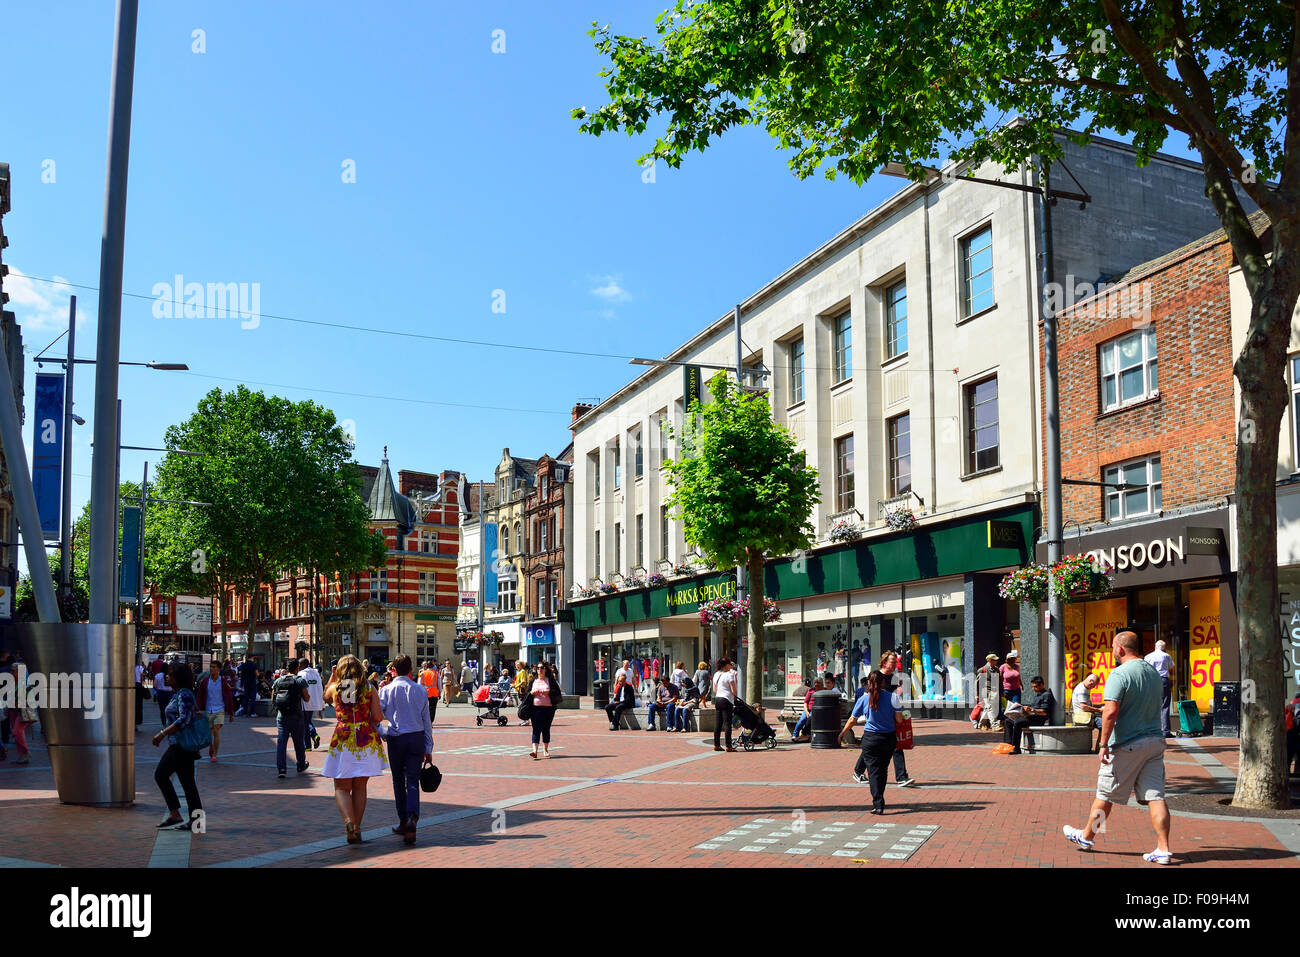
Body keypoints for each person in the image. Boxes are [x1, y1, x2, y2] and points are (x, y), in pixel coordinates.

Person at [1062, 630, 1172, 865]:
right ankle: (1163, 849)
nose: (1112, 652)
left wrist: (1103, 744)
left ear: (1120, 649)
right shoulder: (1153, 672)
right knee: (1156, 796)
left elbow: (1111, 712)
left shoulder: (1119, 674)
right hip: (1154, 742)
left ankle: (1087, 837)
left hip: (1127, 743)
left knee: (1105, 793)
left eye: (1113, 648)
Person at [322, 655, 389, 844]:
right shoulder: (369, 688)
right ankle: (357, 828)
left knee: (342, 787)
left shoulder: (336, 688)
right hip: (365, 738)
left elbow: (325, 696)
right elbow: (377, 717)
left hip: (343, 737)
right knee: (360, 786)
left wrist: (334, 676)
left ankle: (349, 823)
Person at [378, 655, 434, 845]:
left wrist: (383, 732)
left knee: (397, 780)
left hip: (396, 738)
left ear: (393, 669)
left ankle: (403, 819)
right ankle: (412, 817)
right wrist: (429, 746)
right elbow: (427, 721)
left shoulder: (386, 690)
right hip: (416, 737)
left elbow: (375, 716)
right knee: (412, 780)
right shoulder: (420, 690)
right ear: (411, 669)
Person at [840, 669, 902, 814]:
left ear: (869, 683)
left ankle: (878, 803)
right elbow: (899, 719)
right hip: (888, 738)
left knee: (873, 772)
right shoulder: (893, 698)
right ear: (882, 683)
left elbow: (852, 720)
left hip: (871, 739)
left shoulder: (863, 699)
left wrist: (842, 733)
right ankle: (880, 798)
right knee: (883, 770)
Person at [152, 662, 203, 830]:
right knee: (187, 783)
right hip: (178, 745)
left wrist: (162, 733)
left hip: (181, 745)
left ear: (178, 678)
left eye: (171, 674)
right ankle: (188, 819)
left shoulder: (184, 694)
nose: (167, 677)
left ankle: (180, 816)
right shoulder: (178, 694)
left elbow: (183, 719)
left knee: (161, 775)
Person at [879, 652, 917, 787]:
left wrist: (899, 711)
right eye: (892, 662)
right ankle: (858, 770)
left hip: (891, 716)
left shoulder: (895, 678)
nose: (895, 664)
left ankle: (901, 777)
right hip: (879, 717)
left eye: (896, 662)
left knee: (896, 745)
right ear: (884, 662)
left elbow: (895, 698)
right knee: (873, 747)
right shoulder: (877, 676)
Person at [271, 659, 311, 779]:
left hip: (281, 716)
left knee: (281, 743)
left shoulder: (278, 681)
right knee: (298, 742)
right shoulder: (299, 681)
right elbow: (307, 698)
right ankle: (300, 764)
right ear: (297, 668)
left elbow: (273, 697)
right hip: (296, 716)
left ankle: (281, 768)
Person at [1002, 675, 1054, 754]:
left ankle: (1016, 748)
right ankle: (1008, 744)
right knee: (1008, 721)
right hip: (1031, 716)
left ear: (1042, 685)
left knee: (1018, 723)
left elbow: (1044, 712)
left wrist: (1032, 710)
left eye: (1035, 687)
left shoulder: (1046, 695)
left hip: (1038, 720)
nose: (1033, 689)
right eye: (1032, 687)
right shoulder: (1038, 694)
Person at [195, 660, 235, 762]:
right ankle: (211, 747)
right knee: (209, 733)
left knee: (216, 730)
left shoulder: (223, 681)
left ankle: (215, 755)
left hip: (219, 709)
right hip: (208, 709)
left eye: (214, 667)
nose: (211, 669)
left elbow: (229, 696)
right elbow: (199, 695)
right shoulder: (205, 681)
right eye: (211, 667)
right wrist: (197, 709)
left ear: (219, 669)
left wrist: (231, 713)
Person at [528, 661, 562, 758]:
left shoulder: (550, 680)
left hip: (548, 708)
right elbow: (527, 694)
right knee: (536, 729)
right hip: (535, 708)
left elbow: (557, 692)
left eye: (542, 668)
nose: (540, 670)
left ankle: (545, 750)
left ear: (546, 669)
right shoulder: (533, 681)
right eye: (538, 668)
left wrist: (549, 692)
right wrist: (532, 692)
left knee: (546, 729)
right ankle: (534, 751)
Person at [1144, 639, 1175, 738]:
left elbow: (1145, 669)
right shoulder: (1166, 656)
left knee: (1152, 705)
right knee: (1165, 705)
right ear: (1164, 648)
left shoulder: (1148, 656)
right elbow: (1171, 667)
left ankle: (1152, 729)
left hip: (1153, 680)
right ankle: (1165, 730)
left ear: (1155, 647)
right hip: (1164, 679)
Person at [711, 658, 738, 753]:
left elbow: (715, 690)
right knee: (727, 723)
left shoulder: (716, 674)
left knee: (718, 724)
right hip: (727, 700)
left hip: (718, 699)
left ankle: (716, 745)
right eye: (730, 664)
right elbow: (734, 691)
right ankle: (728, 746)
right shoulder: (729, 675)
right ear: (726, 665)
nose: (731, 666)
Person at [1072, 672, 1104, 752]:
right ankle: (1100, 748)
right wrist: (1099, 710)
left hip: (1085, 715)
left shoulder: (1082, 687)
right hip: (1084, 717)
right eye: (1094, 685)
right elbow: (1084, 707)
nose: (1093, 687)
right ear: (1091, 682)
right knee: (1105, 725)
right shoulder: (1082, 690)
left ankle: (1099, 748)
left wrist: (1098, 706)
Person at [300, 657, 324, 749]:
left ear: (303, 665)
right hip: (314, 701)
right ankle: (309, 744)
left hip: (305, 702)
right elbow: (321, 686)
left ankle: (312, 738)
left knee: (305, 723)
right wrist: (321, 703)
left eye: (300, 665)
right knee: (307, 721)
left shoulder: (301, 674)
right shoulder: (316, 674)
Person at [974, 653, 1001, 730]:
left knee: (987, 709)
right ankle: (995, 725)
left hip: (994, 692)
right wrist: (976, 694)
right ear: (990, 661)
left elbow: (999, 681)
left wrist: (1001, 692)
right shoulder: (982, 670)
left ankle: (981, 724)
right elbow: (977, 683)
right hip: (985, 692)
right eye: (994, 660)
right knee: (990, 708)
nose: (996, 661)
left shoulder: (997, 669)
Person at [418, 660, 441, 725]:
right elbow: (439, 684)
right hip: (434, 692)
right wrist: (439, 692)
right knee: (432, 708)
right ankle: (430, 721)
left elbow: (420, 684)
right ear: (433, 666)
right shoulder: (436, 673)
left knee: (424, 708)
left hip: (424, 692)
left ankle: (423, 721)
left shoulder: (422, 673)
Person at [154, 659, 173, 727]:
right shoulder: (170, 675)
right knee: (170, 709)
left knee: (162, 709)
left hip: (161, 694)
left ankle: (164, 723)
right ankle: (170, 722)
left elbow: (155, 686)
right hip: (170, 694)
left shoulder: (158, 675)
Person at [134, 657, 147, 730]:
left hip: (132, 685)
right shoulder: (139, 667)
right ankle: (137, 722)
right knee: (138, 704)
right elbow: (142, 678)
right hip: (139, 685)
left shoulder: (130, 667)